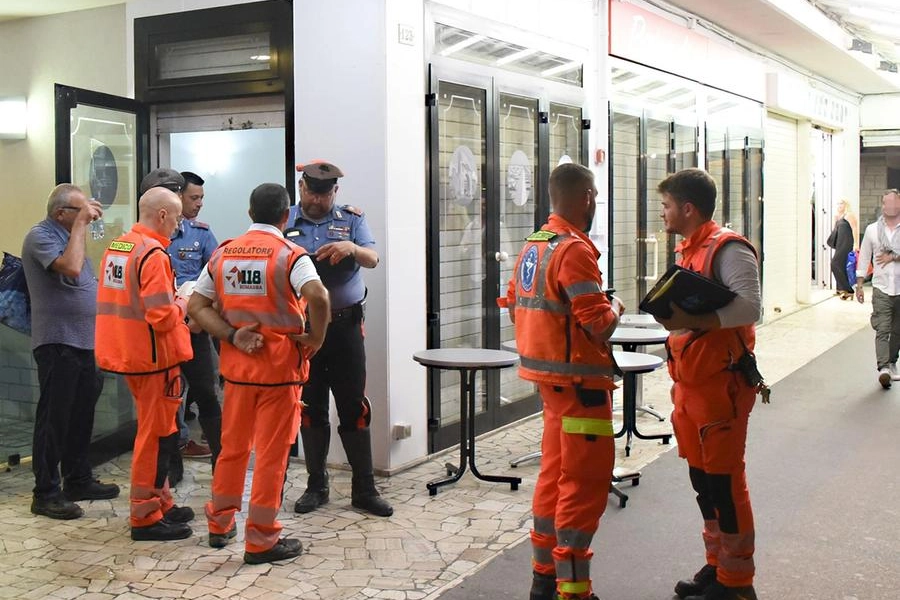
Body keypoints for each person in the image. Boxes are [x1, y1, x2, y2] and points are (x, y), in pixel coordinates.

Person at [499, 163, 623, 600]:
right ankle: (574, 590)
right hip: (581, 390)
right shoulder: (574, 250)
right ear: (587, 197)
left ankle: (543, 579)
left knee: (553, 479)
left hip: (551, 387)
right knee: (584, 486)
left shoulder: (535, 244)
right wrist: (617, 307)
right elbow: (599, 324)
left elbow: (514, 306)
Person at [188, 182, 330, 564]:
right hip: (280, 375)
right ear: (286, 216)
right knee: (270, 456)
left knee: (232, 450)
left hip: (237, 374)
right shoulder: (291, 255)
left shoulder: (224, 254)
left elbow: (198, 305)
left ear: (250, 213)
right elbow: (318, 296)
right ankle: (262, 539)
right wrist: (315, 337)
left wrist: (232, 334)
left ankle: (219, 524)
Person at [654, 168, 762, 600]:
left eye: (664, 206)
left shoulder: (728, 249)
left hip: (723, 390)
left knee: (725, 486)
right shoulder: (689, 250)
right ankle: (717, 567)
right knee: (704, 484)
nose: (661, 214)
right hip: (693, 389)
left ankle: (737, 584)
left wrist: (692, 321)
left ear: (687, 208)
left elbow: (750, 307)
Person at [285, 160, 393, 518]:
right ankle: (317, 485)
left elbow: (373, 257)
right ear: (301, 188)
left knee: (353, 407)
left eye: (324, 193)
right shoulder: (284, 221)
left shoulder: (352, 219)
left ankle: (364, 488)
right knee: (311, 407)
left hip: (345, 327)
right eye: (311, 192)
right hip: (303, 330)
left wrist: (351, 248)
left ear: (335, 192)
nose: (317, 200)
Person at [95, 184, 195, 541]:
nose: (178, 227)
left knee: (161, 434)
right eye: (177, 219)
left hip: (129, 354)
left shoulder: (119, 246)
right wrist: (185, 301)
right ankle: (145, 516)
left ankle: (162, 501)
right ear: (163, 215)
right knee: (155, 438)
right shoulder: (153, 254)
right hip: (155, 361)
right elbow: (161, 316)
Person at [21, 184, 120, 520]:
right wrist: (80, 226)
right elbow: (72, 268)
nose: (89, 215)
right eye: (81, 210)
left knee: (81, 416)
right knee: (54, 420)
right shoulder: (40, 236)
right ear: (60, 213)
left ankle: (77, 478)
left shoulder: (69, 233)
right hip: (58, 342)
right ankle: (46, 493)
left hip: (86, 341)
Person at [164, 171, 220, 468]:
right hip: (162, 328)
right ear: (177, 197)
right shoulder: (154, 233)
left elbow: (217, 277)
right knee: (170, 392)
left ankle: (221, 457)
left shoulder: (201, 234)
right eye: (193, 198)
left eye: (201, 198)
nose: (199, 204)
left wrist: (200, 316)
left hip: (194, 326)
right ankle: (178, 447)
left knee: (205, 390)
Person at [855, 188, 900, 389]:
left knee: (897, 330)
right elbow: (864, 257)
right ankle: (883, 368)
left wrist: (893, 256)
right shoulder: (873, 230)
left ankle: (892, 362)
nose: (888, 206)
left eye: (892, 203)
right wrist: (859, 284)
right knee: (883, 328)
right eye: (885, 203)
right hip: (881, 288)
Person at [827, 199, 855, 299]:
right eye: (838, 203)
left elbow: (855, 228)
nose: (839, 205)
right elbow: (835, 230)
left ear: (846, 204)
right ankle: (841, 289)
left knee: (834, 263)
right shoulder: (837, 217)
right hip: (839, 243)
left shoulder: (849, 215)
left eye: (841, 203)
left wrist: (856, 244)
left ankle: (848, 289)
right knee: (840, 265)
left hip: (846, 243)